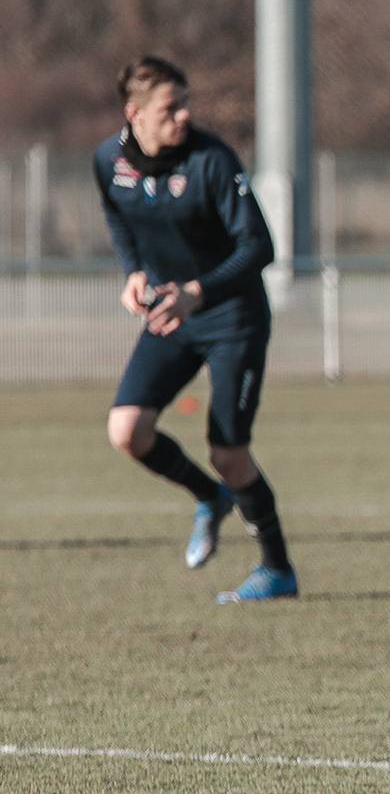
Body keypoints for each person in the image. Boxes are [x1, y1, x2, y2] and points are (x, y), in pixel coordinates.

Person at [96, 56, 298, 603]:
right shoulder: (109, 161)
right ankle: (209, 498)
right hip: (172, 316)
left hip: (233, 317)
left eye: (186, 103)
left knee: (228, 450)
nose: (184, 115)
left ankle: (277, 571)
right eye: (171, 107)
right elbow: (119, 217)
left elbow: (260, 246)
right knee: (127, 432)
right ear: (134, 113)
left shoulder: (211, 159)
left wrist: (197, 293)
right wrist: (133, 272)